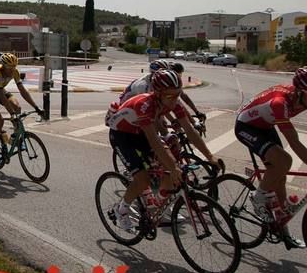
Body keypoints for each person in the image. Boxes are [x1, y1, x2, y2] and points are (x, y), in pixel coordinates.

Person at [107, 69, 220, 230]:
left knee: (169, 174)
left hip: (140, 132)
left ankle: (156, 204)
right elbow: (154, 141)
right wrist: (173, 166)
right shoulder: (144, 105)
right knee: (143, 178)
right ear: (157, 93)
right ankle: (121, 209)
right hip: (122, 135)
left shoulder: (172, 101)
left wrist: (210, 157)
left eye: (177, 94)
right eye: (169, 96)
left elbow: (189, 130)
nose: (174, 100)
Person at [234, 68, 307, 249]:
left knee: (280, 179)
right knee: (285, 161)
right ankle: (258, 197)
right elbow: (294, 141)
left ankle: (282, 229)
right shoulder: (279, 103)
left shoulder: (301, 97)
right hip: (246, 126)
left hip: (266, 126)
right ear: (299, 92)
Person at [0, 53, 43, 164]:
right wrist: (12, 114)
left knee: (17, 106)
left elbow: (23, 91)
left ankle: (15, 137)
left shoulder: (15, 72)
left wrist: (36, 107)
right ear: (3, 66)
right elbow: (2, 97)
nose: (12, 70)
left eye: (14, 67)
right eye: (9, 68)